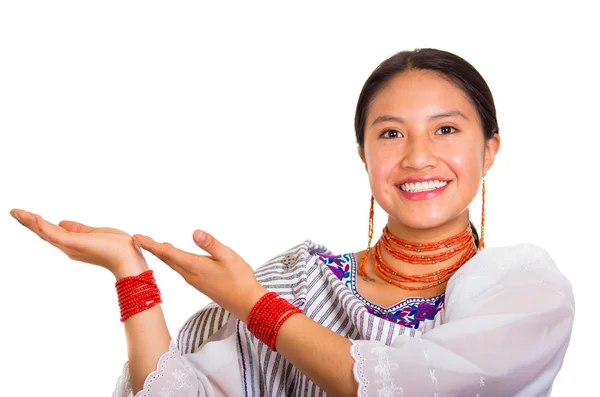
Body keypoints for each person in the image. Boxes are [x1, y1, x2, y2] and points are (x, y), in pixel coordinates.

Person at [10, 48, 574, 396]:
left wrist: (256, 308)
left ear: (491, 150)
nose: (417, 156)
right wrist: (130, 273)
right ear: (364, 155)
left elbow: (409, 386)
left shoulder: (525, 291)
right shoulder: (300, 280)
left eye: (446, 130)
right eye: (390, 133)